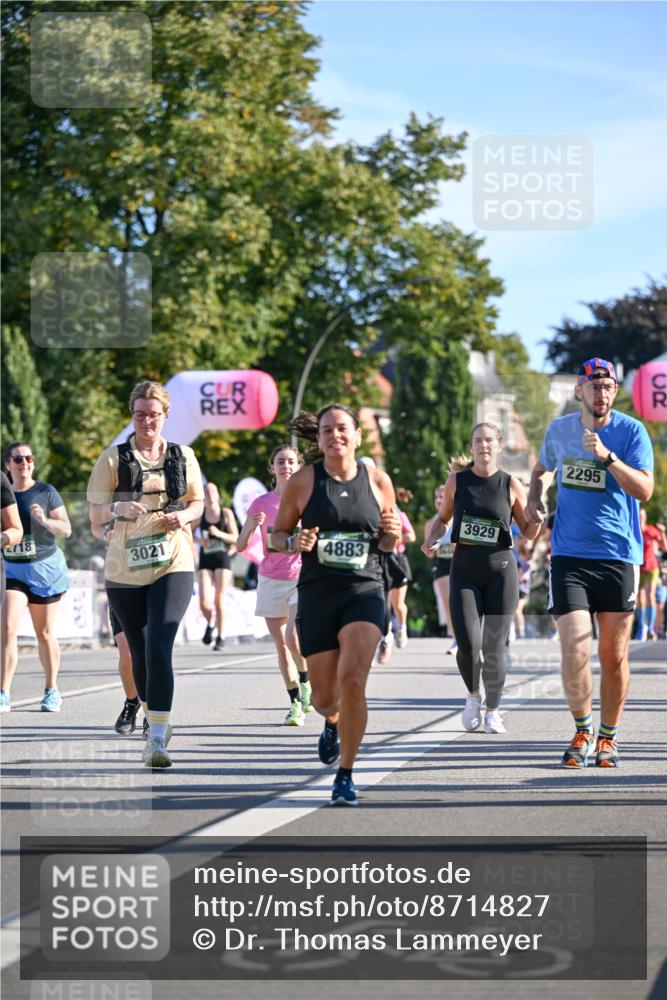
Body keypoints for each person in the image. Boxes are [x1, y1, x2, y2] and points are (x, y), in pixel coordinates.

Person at [526, 358, 654, 768]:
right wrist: (536, 495)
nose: (601, 393)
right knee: (575, 649)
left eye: (608, 386)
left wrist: (609, 458)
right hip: (569, 555)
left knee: (613, 656)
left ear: (614, 392)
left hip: (618, 556)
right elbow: (542, 469)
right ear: (578, 390)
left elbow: (646, 489)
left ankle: (608, 737)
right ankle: (582, 729)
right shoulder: (559, 430)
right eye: (593, 385)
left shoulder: (632, 432)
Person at [272, 404, 401, 806]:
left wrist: (391, 535)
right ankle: (330, 722)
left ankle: (345, 773)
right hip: (317, 593)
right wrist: (295, 544)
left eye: (342, 428)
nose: (335, 436)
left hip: (365, 589)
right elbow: (277, 536)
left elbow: (386, 543)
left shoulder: (378, 481)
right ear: (319, 439)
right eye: (327, 430)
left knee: (354, 681)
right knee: (327, 698)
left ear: (358, 435)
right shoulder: (304, 483)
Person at [88, 381, 204, 768]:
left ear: (165, 414)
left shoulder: (183, 455)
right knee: (138, 654)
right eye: (139, 415)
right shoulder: (113, 458)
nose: (146, 422)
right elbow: (94, 520)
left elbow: (197, 501)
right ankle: (152, 714)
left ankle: (156, 737)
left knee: (159, 644)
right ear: (132, 416)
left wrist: (183, 516)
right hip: (125, 567)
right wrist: (120, 509)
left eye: (153, 414)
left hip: (173, 561)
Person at [423, 423, 540, 734]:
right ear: (472, 446)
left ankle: (493, 711)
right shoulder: (457, 482)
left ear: (498, 446)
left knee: (494, 647)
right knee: (467, 643)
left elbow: (527, 532)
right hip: (464, 570)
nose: (483, 445)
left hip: (502, 570)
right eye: (478, 440)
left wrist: (537, 522)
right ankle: (473, 696)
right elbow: (443, 518)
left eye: (489, 440)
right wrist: (432, 538)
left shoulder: (510, 484)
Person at [236, 443, 313, 725]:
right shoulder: (261, 503)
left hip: (300, 578)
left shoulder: (308, 500)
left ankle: (305, 679)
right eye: (280, 461)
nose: (286, 466)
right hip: (270, 579)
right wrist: (249, 527)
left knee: (294, 638)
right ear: (272, 468)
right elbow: (240, 545)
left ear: (299, 466)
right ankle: (295, 701)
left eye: (291, 461)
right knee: (281, 646)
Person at [1, 443, 71, 714]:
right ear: (8, 464)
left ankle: (51, 689)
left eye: (29, 458)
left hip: (45, 570)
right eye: (18, 459)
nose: (24, 463)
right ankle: (3, 691)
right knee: (7, 627)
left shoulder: (45, 491)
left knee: (44, 632)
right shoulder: (2, 493)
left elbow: (66, 530)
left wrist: (45, 521)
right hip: (14, 570)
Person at [90, 518, 142, 735]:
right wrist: (105, 534)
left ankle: (152, 711)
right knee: (128, 654)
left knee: (148, 652)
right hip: (119, 580)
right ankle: (132, 702)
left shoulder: (158, 494)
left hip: (150, 580)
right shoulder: (112, 494)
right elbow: (96, 522)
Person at [195, 482, 238, 651]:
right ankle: (211, 623)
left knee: (219, 600)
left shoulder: (226, 513)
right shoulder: (201, 515)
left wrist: (218, 533)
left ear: (218, 495)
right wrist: (200, 541)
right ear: (203, 497)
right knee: (203, 601)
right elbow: (187, 531)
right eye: (206, 491)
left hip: (222, 558)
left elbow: (236, 537)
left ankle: (221, 636)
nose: (210, 493)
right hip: (205, 558)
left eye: (213, 490)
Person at [424, 484, 456, 651]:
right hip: (442, 563)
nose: (439, 499)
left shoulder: (460, 518)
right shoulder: (430, 524)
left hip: (462, 561)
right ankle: (455, 638)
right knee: (446, 601)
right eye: (436, 496)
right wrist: (431, 547)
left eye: (442, 496)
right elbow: (428, 552)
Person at [636, 509, 667, 641]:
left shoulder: (650, 530)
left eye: (643, 515)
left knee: (650, 594)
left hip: (651, 566)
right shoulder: (634, 529)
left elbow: (664, 547)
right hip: (638, 566)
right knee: (640, 598)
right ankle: (642, 627)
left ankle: (650, 628)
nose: (641, 518)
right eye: (639, 515)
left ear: (646, 517)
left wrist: (662, 532)